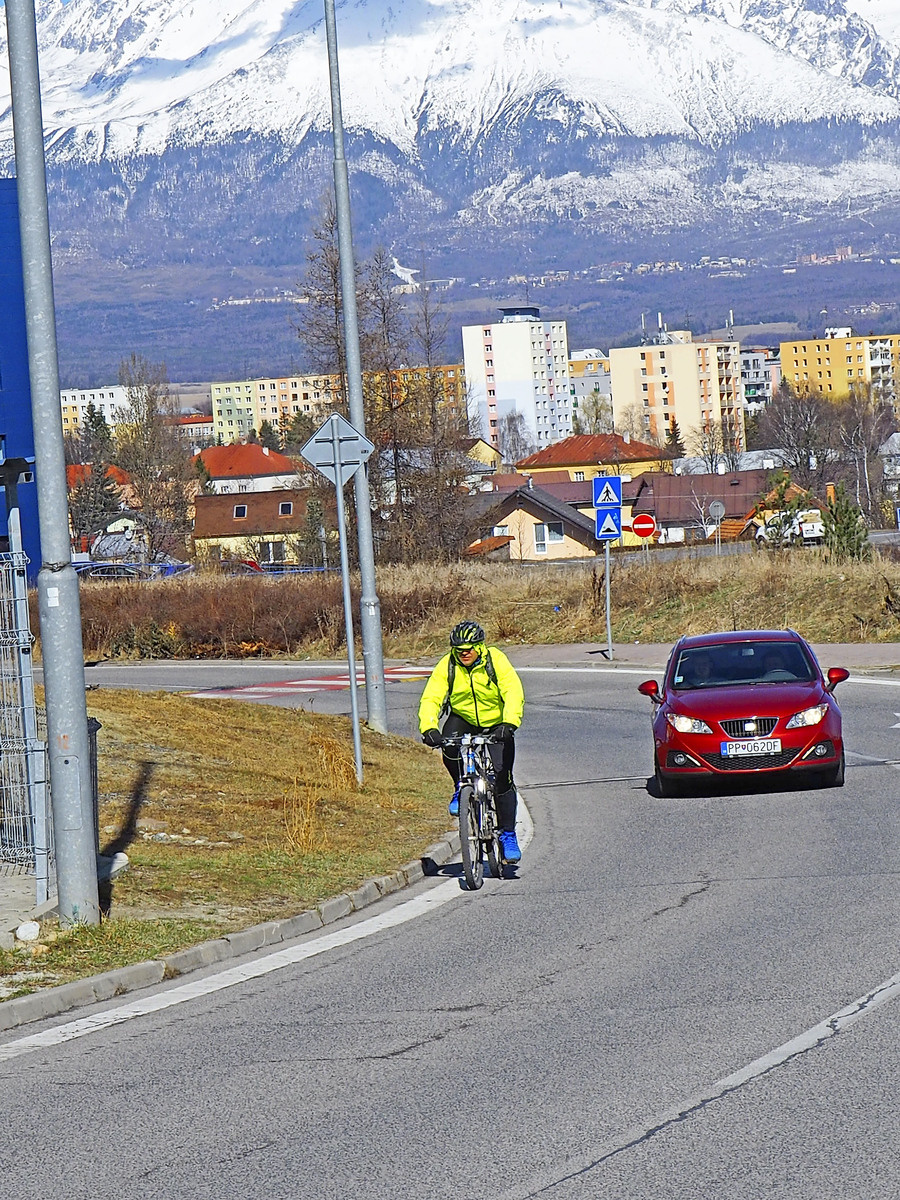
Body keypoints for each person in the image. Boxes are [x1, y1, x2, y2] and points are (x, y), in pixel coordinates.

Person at [418, 620, 525, 864]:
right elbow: (431, 697)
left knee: (502, 777)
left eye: (470, 648)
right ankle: (460, 786)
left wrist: (509, 723)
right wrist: (429, 727)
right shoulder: (449, 664)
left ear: (480, 646)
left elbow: (513, 691)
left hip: (496, 721)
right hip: (463, 718)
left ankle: (508, 834)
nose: (465, 653)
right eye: (459, 649)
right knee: (449, 746)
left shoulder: (494, 660)